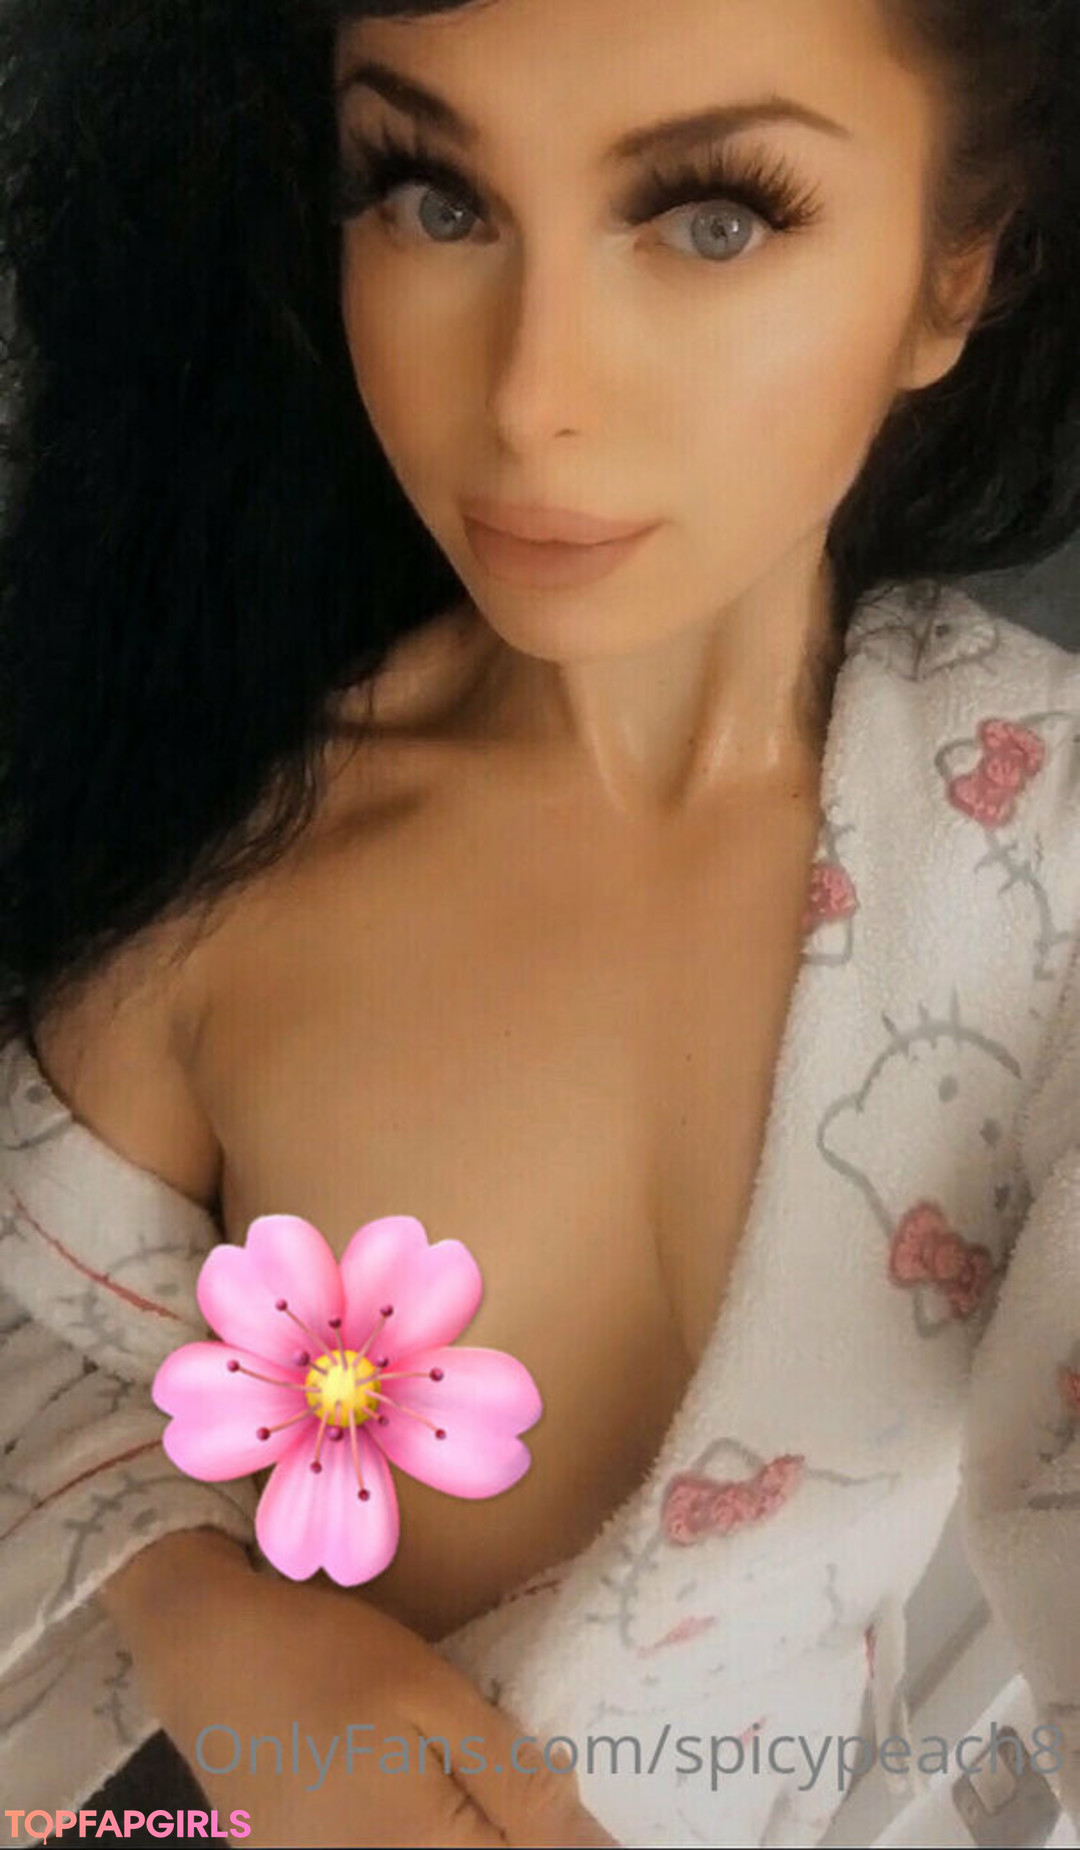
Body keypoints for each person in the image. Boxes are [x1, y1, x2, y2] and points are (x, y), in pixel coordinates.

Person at [0, 1, 1077, 1846]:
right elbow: (47, 1336)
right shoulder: (218, 861)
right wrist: (200, 1609)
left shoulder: (1032, 853)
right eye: (433, 196)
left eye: (715, 218)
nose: (528, 394)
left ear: (950, 272)